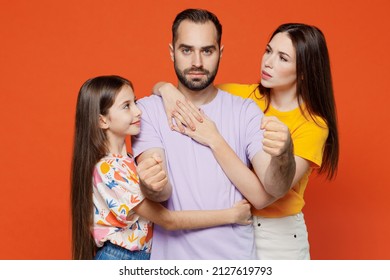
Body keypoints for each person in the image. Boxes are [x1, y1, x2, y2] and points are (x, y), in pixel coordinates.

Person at [155, 23, 339, 259]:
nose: (268, 62)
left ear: (304, 71)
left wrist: (215, 139)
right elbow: (193, 90)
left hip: (279, 236)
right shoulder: (242, 97)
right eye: (268, 51)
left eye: (282, 58)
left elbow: (271, 191)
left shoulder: (313, 125)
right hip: (238, 226)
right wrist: (164, 88)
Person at [132, 9, 296, 259]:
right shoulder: (148, 111)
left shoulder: (245, 111)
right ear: (171, 52)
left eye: (207, 51)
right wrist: (151, 184)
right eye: (186, 50)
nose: (196, 62)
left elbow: (273, 188)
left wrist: (284, 154)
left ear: (220, 53)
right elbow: (162, 193)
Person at [70, 75, 253, 260]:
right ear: (103, 121)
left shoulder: (126, 161)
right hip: (121, 258)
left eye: (134, 102)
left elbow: (155, 90)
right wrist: (231, 215)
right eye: (126, 106)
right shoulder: (110, 170)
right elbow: (167, 220)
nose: (138, 111)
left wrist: (164, 87)